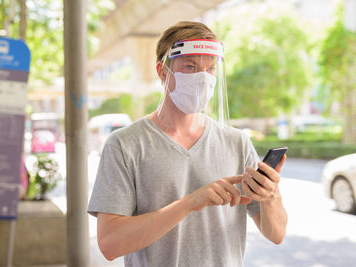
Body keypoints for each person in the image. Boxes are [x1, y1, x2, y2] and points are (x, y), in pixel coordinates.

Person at [87, 21, 287, 267]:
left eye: (210, 69)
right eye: (190, 67)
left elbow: (276, 234)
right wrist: (189, 203)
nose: (202, 78)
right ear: (163, 72)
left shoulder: (236, 142)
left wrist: (271, 196)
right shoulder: (125, 144)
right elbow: (110, 244)